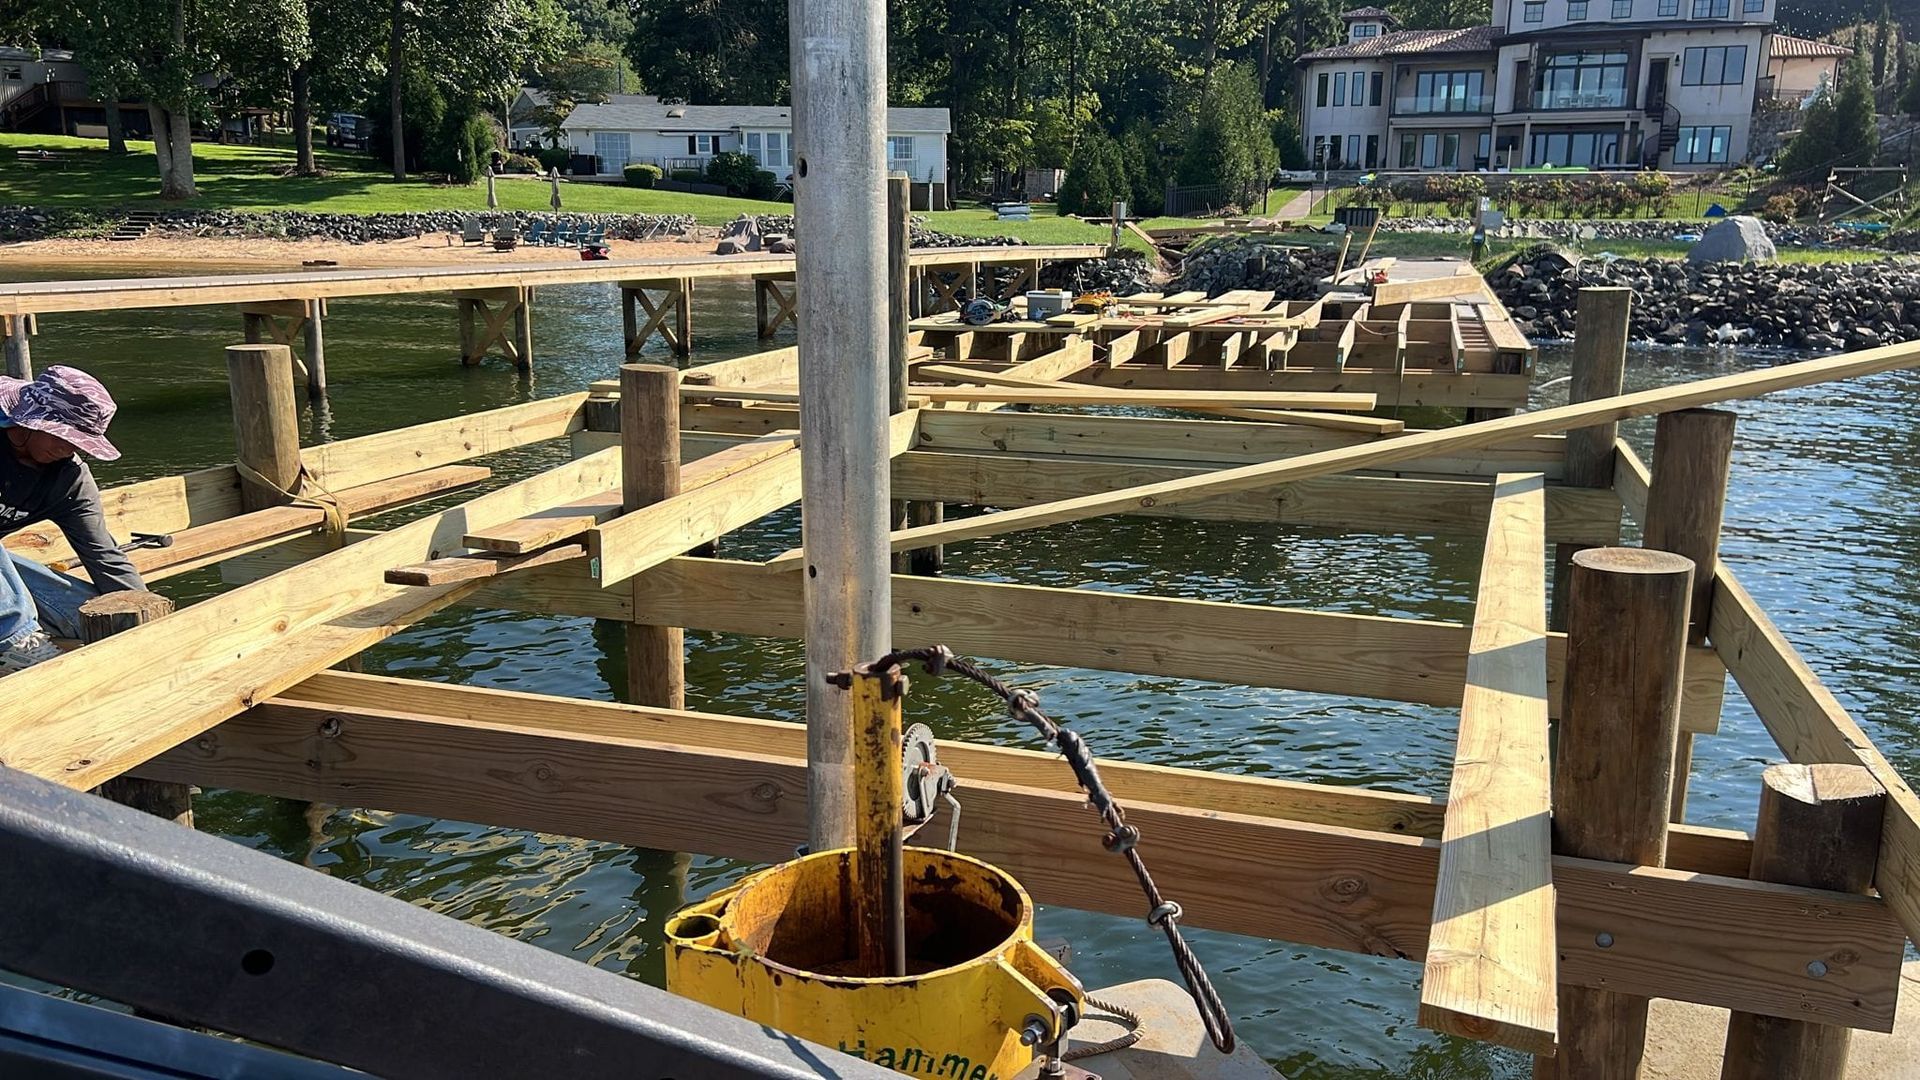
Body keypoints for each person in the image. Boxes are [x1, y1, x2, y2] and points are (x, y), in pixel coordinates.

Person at [0, 366, 143, 672]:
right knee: (16, 631)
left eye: (79, 442)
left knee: (91, 614)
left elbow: (104, 556)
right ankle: (16, 642)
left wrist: (142, 614)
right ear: (30, 421)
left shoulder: (70, 480)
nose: (70, 448)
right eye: (62, 436)